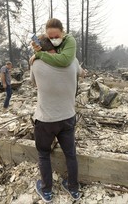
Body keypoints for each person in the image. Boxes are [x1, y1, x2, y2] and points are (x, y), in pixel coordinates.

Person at [30, 18, 85, 203]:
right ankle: (74, 189)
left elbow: (34, 83)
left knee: (44, 154)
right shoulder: (72, 61)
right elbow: (82, 73)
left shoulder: (36, 63)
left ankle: (46, 191)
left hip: (45, 119)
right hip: (68, 117)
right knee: (70, 154)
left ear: (39, 48)